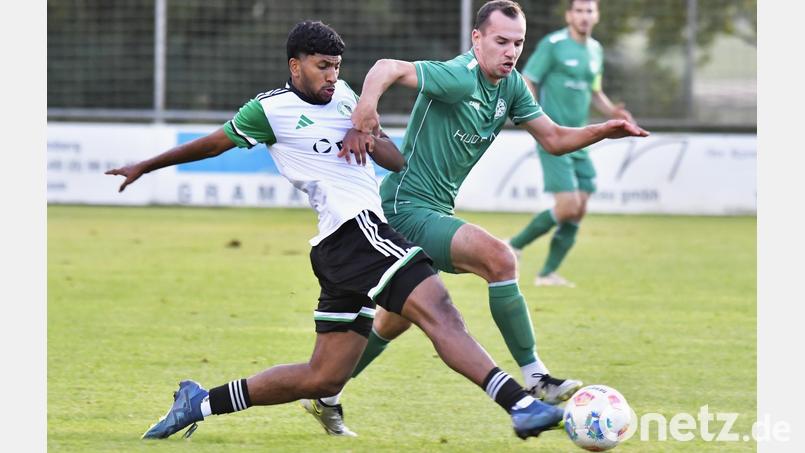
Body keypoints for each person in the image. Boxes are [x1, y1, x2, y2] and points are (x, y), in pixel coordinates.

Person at [107, 20, 565, 442]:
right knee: (438, 309)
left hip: (345, 246)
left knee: (323, 377)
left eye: (336, 67)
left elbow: (394, 159)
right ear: (296, 65)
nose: (331, 76)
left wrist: (368, 135)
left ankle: (199, 402)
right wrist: (146, 166)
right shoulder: (270, 111)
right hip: (353, 232)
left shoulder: (345, 95)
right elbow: (211, 144)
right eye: (322, 66)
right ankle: (519, 402)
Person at [306, 0, 648, 436]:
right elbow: (386, 66)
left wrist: (603, 129)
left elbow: (556, 139)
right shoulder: (457, 76)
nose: (510, 51)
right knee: (499, 258)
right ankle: (536, 378)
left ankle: (327, 391)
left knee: (395, 320)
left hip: (432, 210)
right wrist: (366, 108)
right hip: (404, 207)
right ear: (477, 39)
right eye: (501, 41)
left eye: (518, 43)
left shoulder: (513, 88)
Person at [508, 0, 637, 287]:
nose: (584, 16)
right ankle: (513, 245)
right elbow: (528, 79)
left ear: (597, 15)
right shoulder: (553, 44)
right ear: (569, 15)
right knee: (567, 206)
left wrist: (613, 113)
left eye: (589, 11)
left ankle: (547, 274)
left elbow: (595, 91)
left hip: (581, 140)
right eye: (578, 11)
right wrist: (534, 119)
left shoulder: (596, 50)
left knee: (580, 206)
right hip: (555, 137)